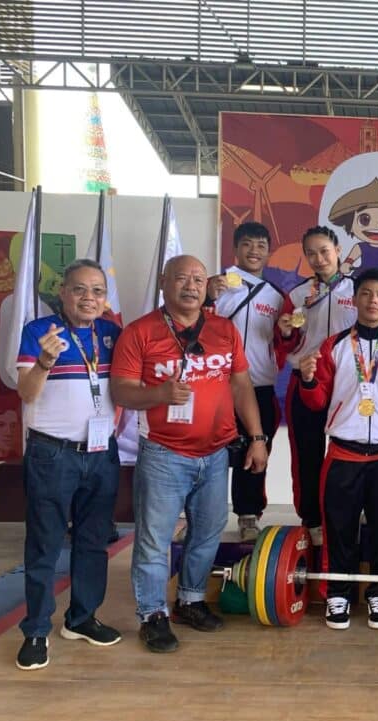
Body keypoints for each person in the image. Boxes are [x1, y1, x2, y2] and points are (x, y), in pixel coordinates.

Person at [111, 255, 268, 654]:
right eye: (181, 278)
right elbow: (121, 391)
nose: (191, 286)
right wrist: (159, 395)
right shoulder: (140, 332)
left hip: (216, 453)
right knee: (154, 539)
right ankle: (152, 615)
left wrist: (257, 436)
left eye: (199, 279)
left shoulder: (223, 329)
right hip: (164, 453)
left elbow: (241, 385)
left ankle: (190, 600)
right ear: (164, 283)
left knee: (208, 531)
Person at [297, 268, 378, 631]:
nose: (372, 301)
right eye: (366, 294)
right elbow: (318, 400)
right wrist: (307, 380)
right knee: (339, 527)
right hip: (343, 453)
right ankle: (339, 592)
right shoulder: (333, 345)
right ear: (355, 300)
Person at [13, 259, 123, 671]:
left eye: (96, 291)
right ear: (63, 293)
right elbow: (26, 393)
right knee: (44, 544)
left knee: (94, 542)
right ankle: (37, 630)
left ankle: (80, 618)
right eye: (79, 289)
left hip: (101, 453)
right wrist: (44, 362)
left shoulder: (112, 334)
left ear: (105, 298)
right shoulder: (39, 332)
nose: (89, 298)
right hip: (52, 453)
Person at [206, 221, 287, 542]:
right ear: (236, 249)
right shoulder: (217, 286)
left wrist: (287, 330)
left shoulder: (277, 297)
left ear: (268, 252)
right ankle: (200, 516)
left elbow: (282, 341)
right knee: (207, 453)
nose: (255, 251)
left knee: (256, 452)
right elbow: (193, 323)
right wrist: (206, 298)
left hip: (259, 387)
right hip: (215, 385)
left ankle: (248, 514)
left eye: (261, 246)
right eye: (248, 245)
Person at [280, 227, 358, 544]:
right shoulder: (298, 296)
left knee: (349, 454)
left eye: (324, 250)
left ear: (338, 250)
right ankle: (311, 519)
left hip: (349, 383)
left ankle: (346, 513)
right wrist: (286, 332)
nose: (318, 258)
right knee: (307, 455)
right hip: (307, 379)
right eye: (311, 253)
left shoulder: (359, 290)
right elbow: (284, 344)